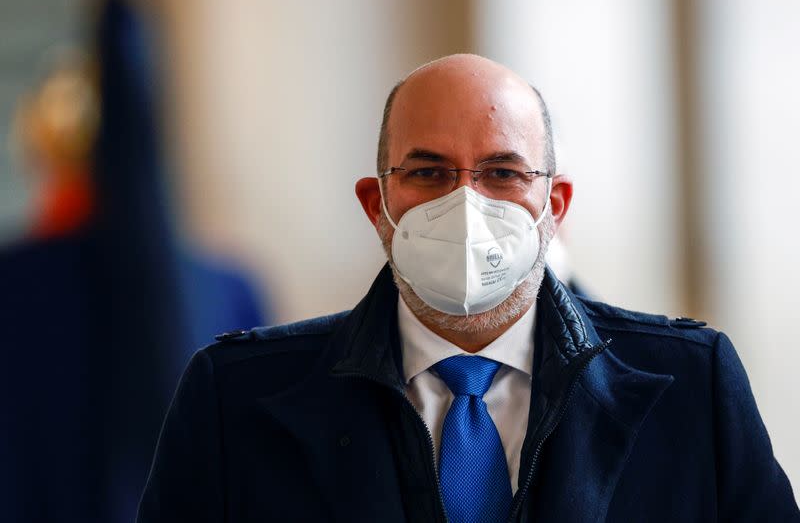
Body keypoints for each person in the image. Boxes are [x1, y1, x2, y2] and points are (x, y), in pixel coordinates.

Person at [137, 54, 799, 522]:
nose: (466, 204)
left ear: (555, 205)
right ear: (377, 205)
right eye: (428, 172)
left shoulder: (692, 385)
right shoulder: (233, 399)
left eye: (502, 172)